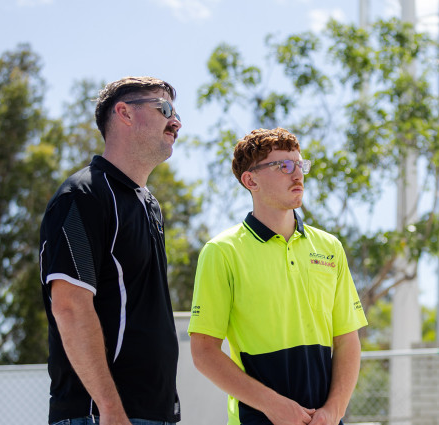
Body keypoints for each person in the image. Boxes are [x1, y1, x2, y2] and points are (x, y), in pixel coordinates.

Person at [188, 127, 367, 425]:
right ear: (251, 180)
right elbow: (204, 352)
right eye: (284, 166)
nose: (297, 174)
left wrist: (333, 411)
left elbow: (347, 340)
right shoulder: (221, 252)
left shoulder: (329, 247)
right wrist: (274, 406)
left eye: (300, 164)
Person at [39, 76, 183, 425]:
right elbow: (70, 307)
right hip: (101, 416)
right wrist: (111, 409)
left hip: (153, 414)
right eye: (164, 109)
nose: (176, 122)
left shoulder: (149, 205)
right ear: (124, 114)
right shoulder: (82, 197)